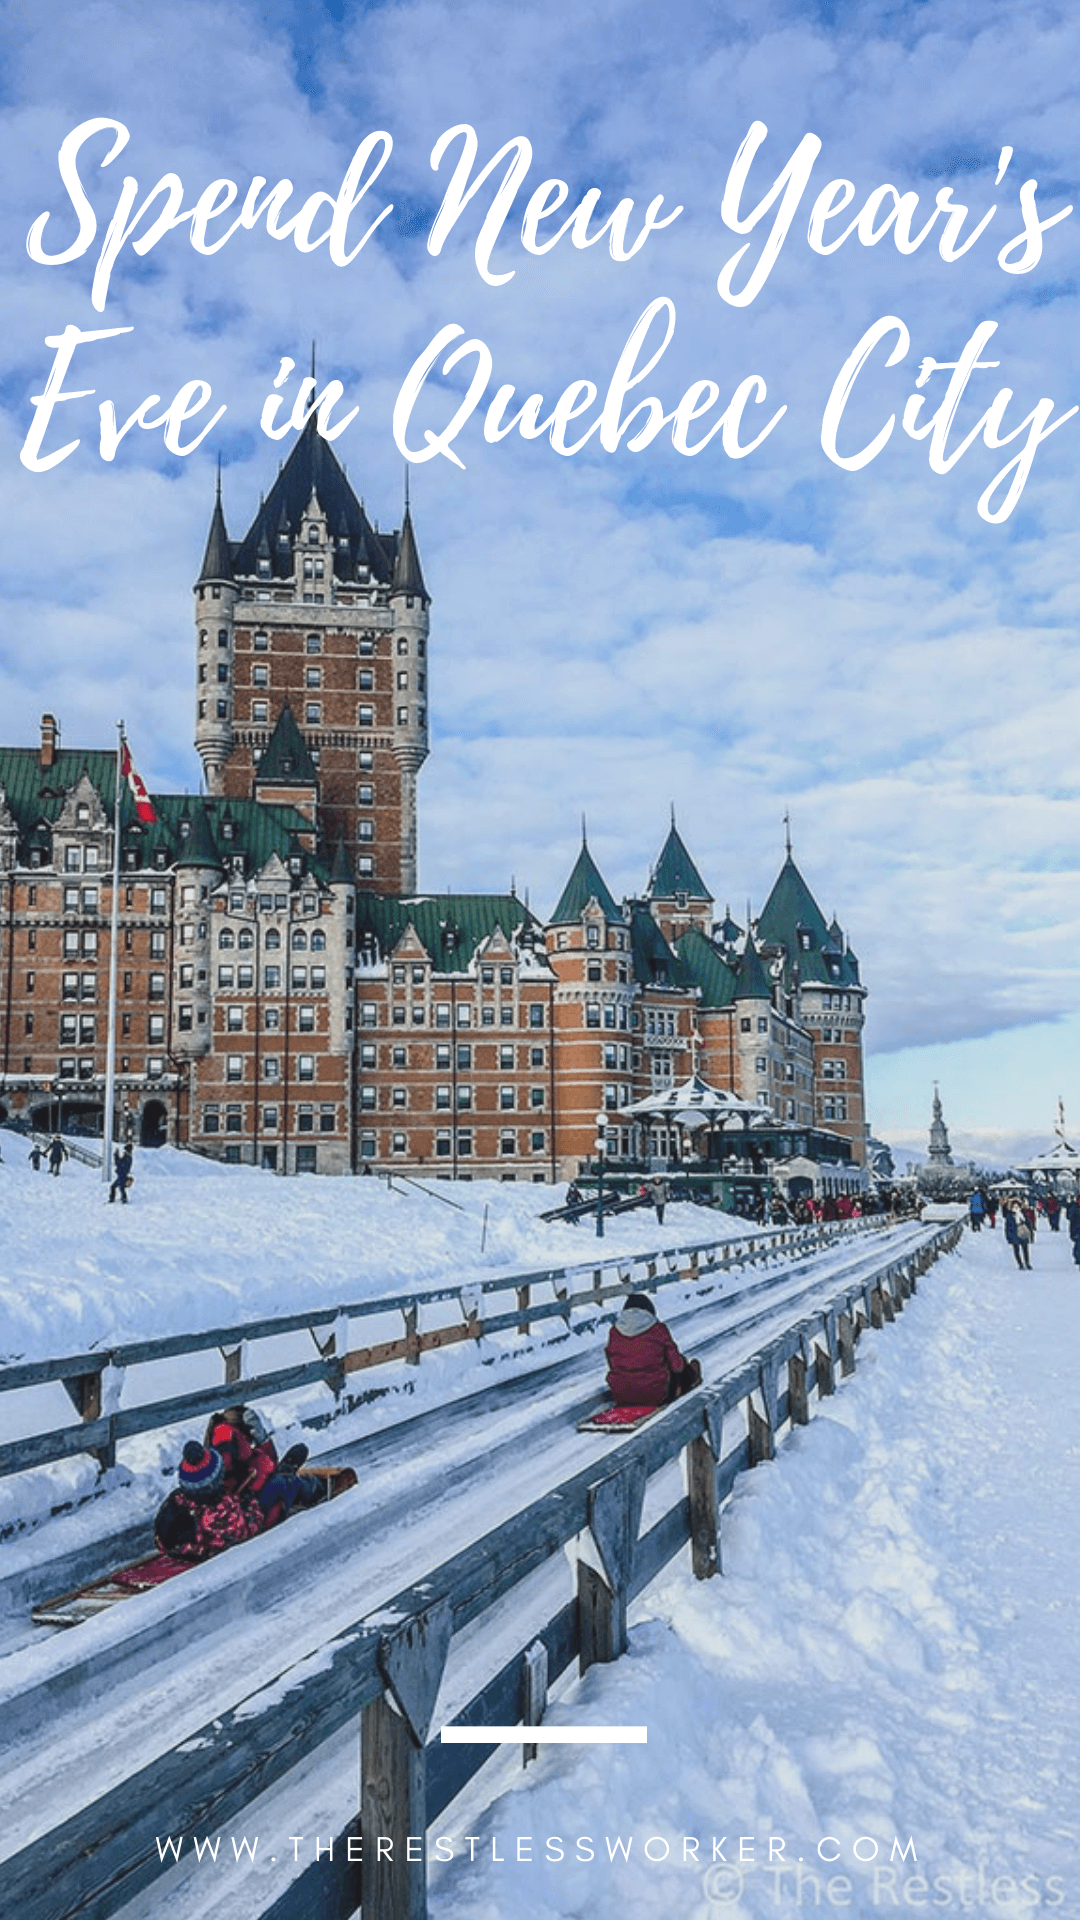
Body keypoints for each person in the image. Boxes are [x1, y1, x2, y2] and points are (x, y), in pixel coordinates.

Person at [605, 1293, 701, 1407]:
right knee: (685, 1367)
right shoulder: (658, 1329)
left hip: (621, 1395)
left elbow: (611, 1362)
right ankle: (686, 1383)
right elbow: (677, 1366)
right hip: (657, 1394)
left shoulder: (614, 1332)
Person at [1004, 1201, 1031, 1271]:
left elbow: (1028, 1223)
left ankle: (1027, 1263)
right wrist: (1008, 1237)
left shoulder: (1022, 1214)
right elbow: (1007, 1227)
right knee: (1016, 1250)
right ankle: (1020, 1264)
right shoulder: (1009, 1215)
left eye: (1017, 1206)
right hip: (1014, 1234)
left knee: (1025, 1249)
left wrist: (1030, 1232)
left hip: (1023, 1233)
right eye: (1014, 1206)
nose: (1016, 1208)